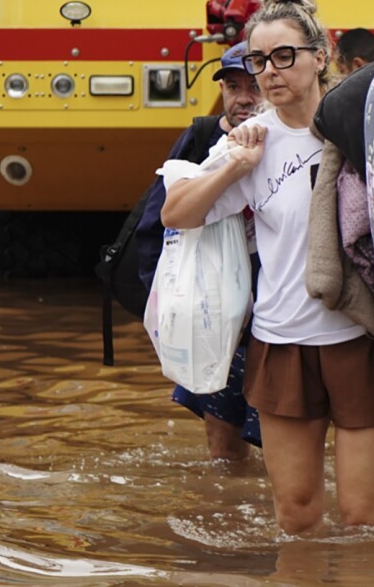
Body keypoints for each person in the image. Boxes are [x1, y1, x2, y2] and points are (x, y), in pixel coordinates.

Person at [162, 0, 374, 534]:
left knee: (364, 518)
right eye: (258, 61)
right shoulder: (249, 140)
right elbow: (175, 212)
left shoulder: (361, 121)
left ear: (321, 56)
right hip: (282, 344)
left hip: (361, 338)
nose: (269, 71)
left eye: (283, 56)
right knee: (295, 516)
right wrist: (234, 168)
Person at [136, 42, 262, 461]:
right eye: (232, 86)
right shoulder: (204, 137)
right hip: (216, 314)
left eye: (254, 85)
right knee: (223, 447)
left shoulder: (299, 140)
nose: (243, 97)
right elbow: (158, 223)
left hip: (277, 314)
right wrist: (169, 305)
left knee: (287, 441)